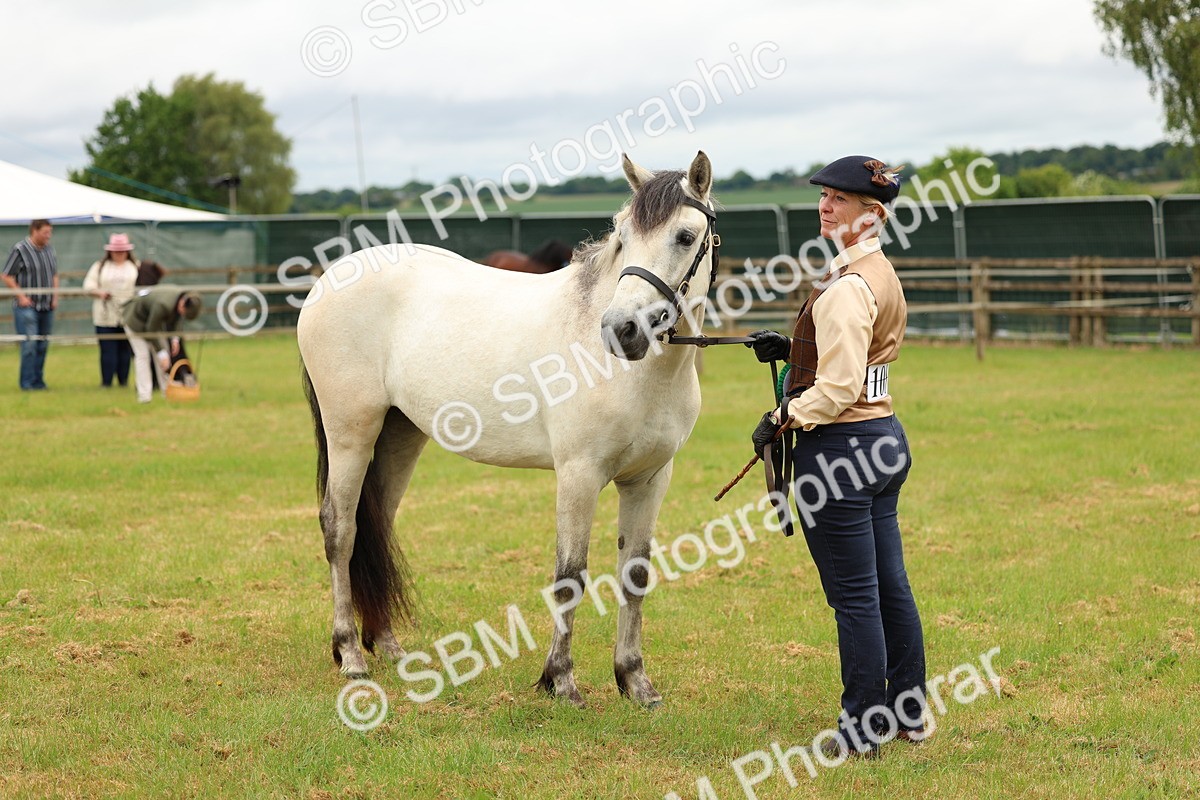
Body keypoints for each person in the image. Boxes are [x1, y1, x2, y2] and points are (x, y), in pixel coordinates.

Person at [746, 156, 926, 758]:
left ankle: (862, 728)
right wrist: (794, 345)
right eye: (825, 195)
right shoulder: (878, 272)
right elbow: (859, 361)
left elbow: (840, 387)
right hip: (883, 441)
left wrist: (783, 416)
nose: (826, 206)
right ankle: (908, 712)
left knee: (856, 599)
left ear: (871, 215)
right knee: (888, 587)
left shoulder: (847, 288)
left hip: (842, 453)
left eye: (840, 200)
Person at [121, 285, 203, 403]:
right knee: (143, 355)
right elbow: (151, 330)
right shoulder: (163, 305)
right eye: (184, 311)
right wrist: (161, 353)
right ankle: (144, 397)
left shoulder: (182, 298)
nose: (183, 314)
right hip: (135, 321)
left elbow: (178, 319)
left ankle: (167, 392)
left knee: (164, 355)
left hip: (153, 323)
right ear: (182, 303)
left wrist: (175, 339)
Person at [2, 219, 58, 390]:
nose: (48, 236)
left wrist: (54, 296)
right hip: (27, 307)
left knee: (42, 344)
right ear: (34, 230)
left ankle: (38, 381)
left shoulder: (49, 250)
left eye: (50, 232)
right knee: (30, 345)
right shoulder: (20, 249)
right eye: (45, 232)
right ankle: (26, 383)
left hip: (46, 306)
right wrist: (21, 296)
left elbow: (54, 275)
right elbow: (6, 275)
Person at [82, 233, 140, 388]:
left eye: (122, 251)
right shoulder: (100, 267)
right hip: (105, 315)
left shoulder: (135, 266)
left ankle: (123, 381)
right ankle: (106, 382)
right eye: (116, 251)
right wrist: (100, 293)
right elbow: (88, 286)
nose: (119, 254)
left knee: (125, 351)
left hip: (128, 315)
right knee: (108, 351)